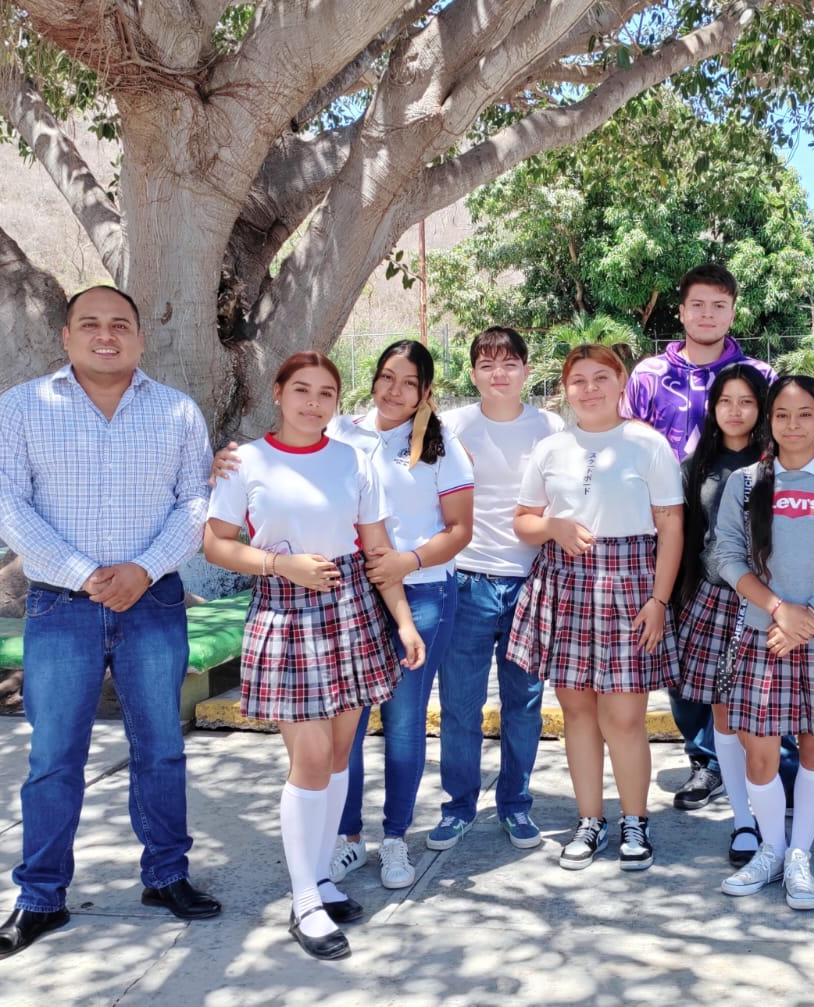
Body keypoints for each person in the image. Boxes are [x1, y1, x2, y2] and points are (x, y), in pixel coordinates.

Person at [0, 285, 217, 962]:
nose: (105, 335)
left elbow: (197, 501)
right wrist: (86, 572)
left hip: (154, 603)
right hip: (60, 607)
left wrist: (143, 569)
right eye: (90, 324)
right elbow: (6, 504)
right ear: (66, 336)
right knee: (54, 756)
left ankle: (166, 875)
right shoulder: (22, 407)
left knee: (161, 747)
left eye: (119, 325)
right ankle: (40, 896)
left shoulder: (176, 411)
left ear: (139, 338)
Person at [202, 351, 425, 960]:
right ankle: (304, 902)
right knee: (310, 758)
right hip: (285, 608)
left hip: (351, 606)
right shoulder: (245, 461)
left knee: (339, 755)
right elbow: (217, 545)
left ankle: (322, 876)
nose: (313, 402)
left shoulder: (352, 460)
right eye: (301, 389)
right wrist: (280, 564)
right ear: (277, 392)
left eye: (326, 393)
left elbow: (377, 551)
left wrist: (404, 622)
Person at [623, 262, 814, 822]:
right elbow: (628, 443)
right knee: (689, 658)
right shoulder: (648, 376)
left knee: (767, 662)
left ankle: (783, 773)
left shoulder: (759, 373)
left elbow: (793, 433)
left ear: (733, 311)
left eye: (719, 305)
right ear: (681, 311)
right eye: (697, 304)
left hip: (757, 540)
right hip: (672, 531)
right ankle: (707, 761)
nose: (707, 315)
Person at [508, 344, 684, 871]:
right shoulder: (551, 448)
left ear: (621, 381)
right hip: (565, 583)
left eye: (600, 378)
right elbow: (523, 521)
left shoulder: (648, 444)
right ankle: (590, 820)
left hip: (631, 584)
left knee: (624, 716)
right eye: (578, 380)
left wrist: (659, 600)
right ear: (565, 389)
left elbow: (671, 526)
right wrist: (553, 526)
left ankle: (635, 821)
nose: (589, 389)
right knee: (578, 712)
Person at [712, 375, 814, 911]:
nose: (793, 425)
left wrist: (811, 616)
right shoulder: (744, 484)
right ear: (769, 420)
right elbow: (727, 557)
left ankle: (799, 855)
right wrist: (780, 609)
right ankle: (772, 849)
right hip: (764, 633)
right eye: (782, 414)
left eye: (805, 414)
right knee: (759, 749)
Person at [332, 341, 474, 890]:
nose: (394, 391)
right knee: (347, 718)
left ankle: (395, 839)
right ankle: (347, 838)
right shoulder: (341, 432)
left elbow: (459, 530)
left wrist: (407, 561)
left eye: (409, 382)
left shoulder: (441, 445)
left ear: (425, 391)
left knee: (404, 718)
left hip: (424, 593)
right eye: (387, 377)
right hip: (352, 594)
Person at [427, 327, 564, 853]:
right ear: (473, 373)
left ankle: (515, 805)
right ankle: (458, 807)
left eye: (509, 364)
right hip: (466, 582)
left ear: (527, 370)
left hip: (531, 584)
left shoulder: (550, 427)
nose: (498, 374)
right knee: (460, 705)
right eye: (486, 364)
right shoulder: (452, 426)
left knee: (523, 704)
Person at [672, 363, 771, 867]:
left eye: (746, 401)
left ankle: (780, 806)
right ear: (712, 408)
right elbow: (683, 537)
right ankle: (743, 820)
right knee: (725, 716)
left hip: (772, 604)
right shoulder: (696, 467)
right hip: (714, 601)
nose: (735, 411)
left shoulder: (780, 461)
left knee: (770, 715)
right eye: (725, 401)